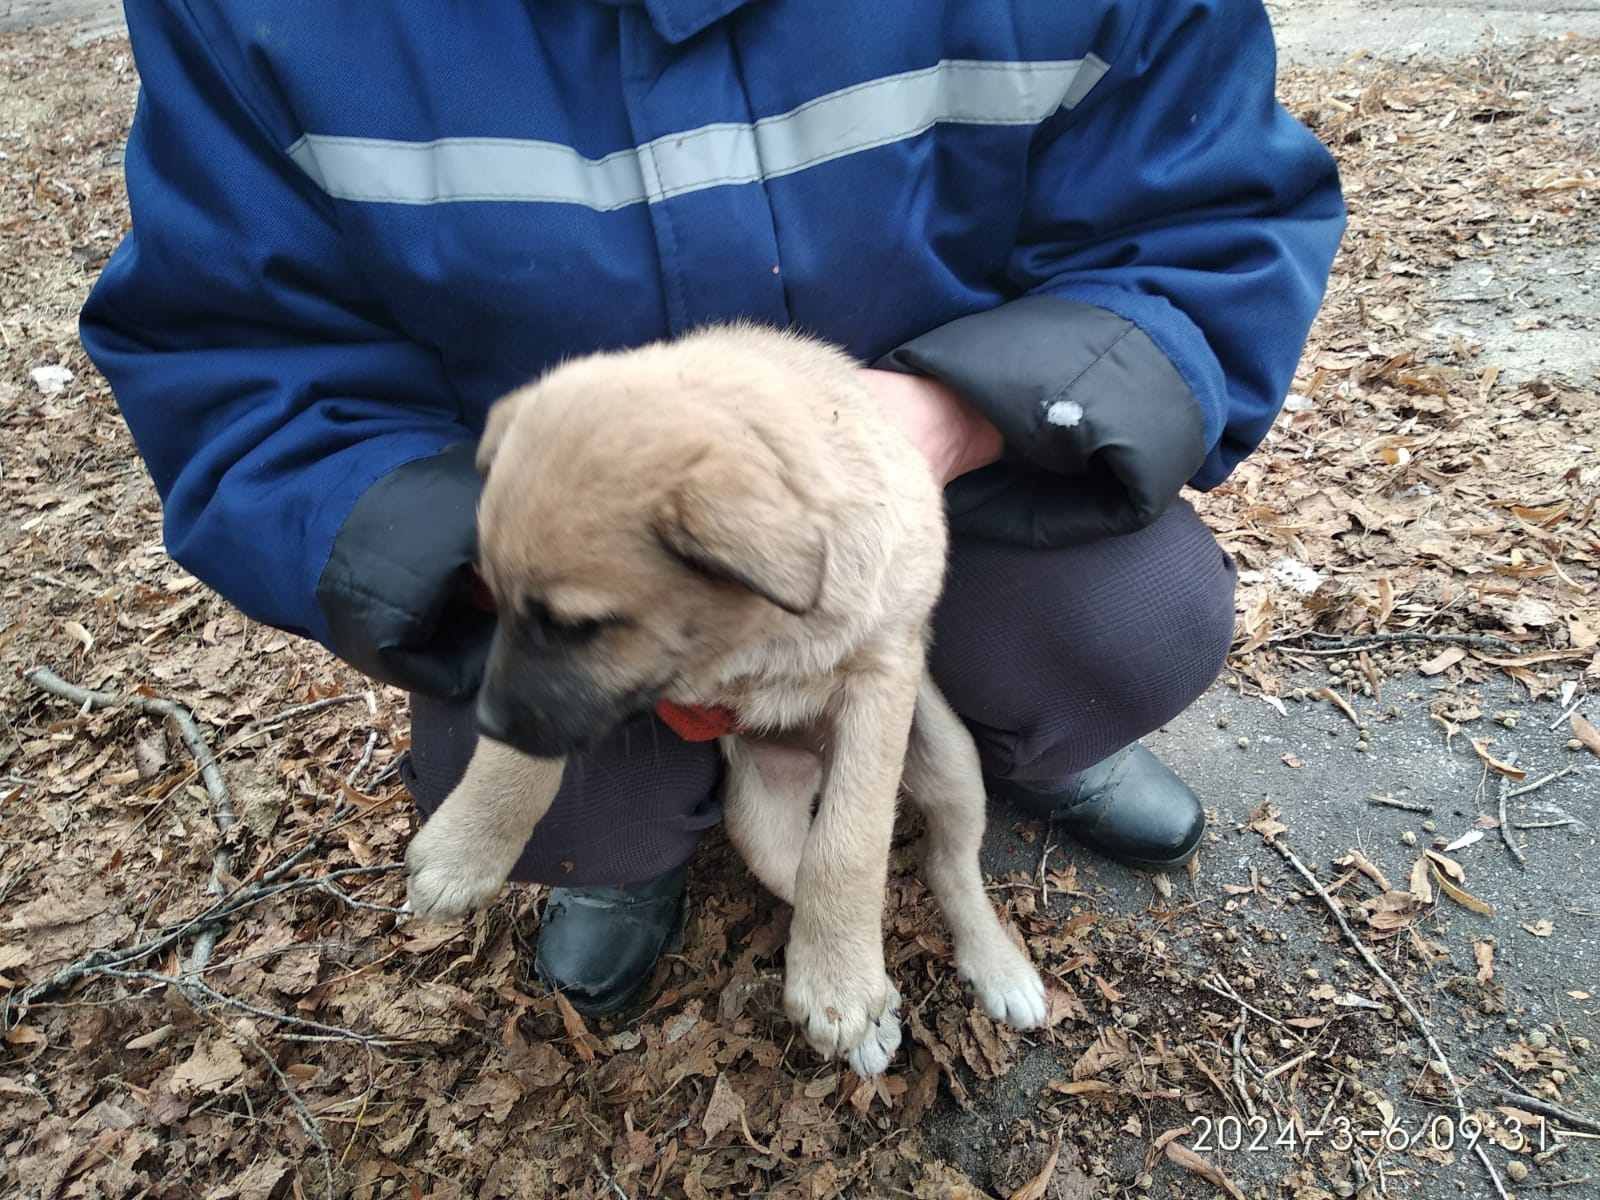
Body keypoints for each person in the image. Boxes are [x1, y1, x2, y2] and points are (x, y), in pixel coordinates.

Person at [82, 1, 1344, 1017]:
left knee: (1130, 617)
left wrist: (962, 417)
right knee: (538, 769)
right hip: (548, 520)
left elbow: (1210, 222)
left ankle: (1020, 747)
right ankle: (628, 856)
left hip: (924, 498)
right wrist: (453, 559)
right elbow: (234, 360)